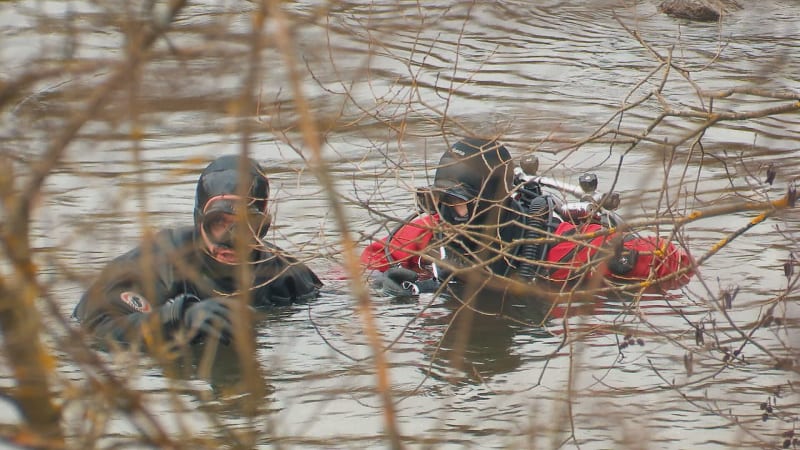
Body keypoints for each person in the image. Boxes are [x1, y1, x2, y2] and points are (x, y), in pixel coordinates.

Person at [360, 138, 693, 303]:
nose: (443, 212)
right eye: (435, 199)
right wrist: (381, 283)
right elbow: (355, 271)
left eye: (456, 200)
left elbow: (675, 262)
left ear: (490, 203)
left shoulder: (558, 249)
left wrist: (623, 259)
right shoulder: (429, 230)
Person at [73, 155, 322, 347]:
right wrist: (177, 317)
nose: (229, 242)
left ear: (263, 227)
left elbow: (332, 311)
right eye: (219, 224)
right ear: (199, 220)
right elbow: (93, 325)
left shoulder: (284, 273)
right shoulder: (158, 263)